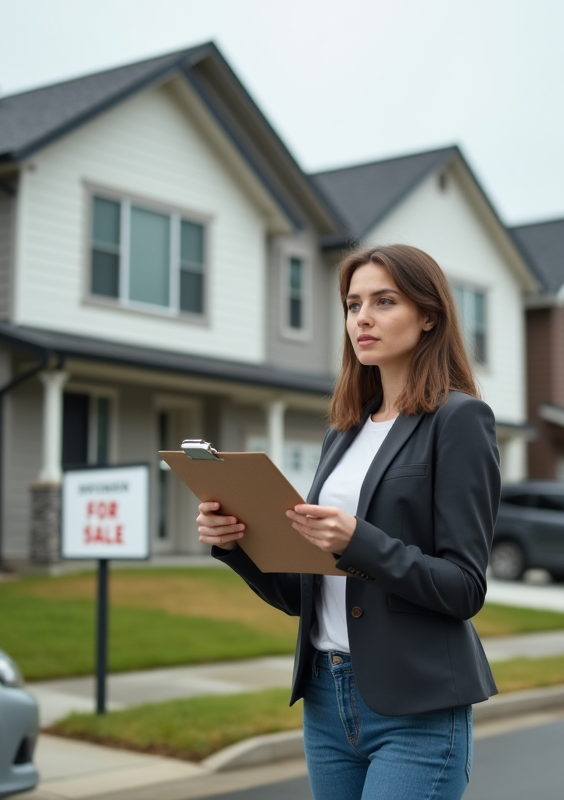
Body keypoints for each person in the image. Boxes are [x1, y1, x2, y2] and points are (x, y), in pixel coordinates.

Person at [196, 244, 500, 800]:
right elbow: (302, 593)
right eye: (353, 303)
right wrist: (236, 545)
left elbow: (464, 587)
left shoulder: (459, 420)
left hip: (416, 706)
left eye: (384, 301)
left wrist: (359, 541)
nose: (362, 317)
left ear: (429, 315)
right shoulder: (345, 430)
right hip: (325, 695)